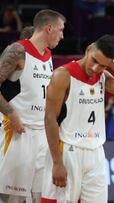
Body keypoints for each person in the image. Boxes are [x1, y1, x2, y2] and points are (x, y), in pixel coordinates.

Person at [41, 35, 114, 203]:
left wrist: (112, 63)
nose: (95, 68)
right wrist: (57, 162)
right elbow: (50, 119)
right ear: (88, 50)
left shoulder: (103, 76)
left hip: (96, 152)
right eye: (94, 60)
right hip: (68, 149)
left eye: (102, 65)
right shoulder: (62, 75)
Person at [0, 9, 65, 203]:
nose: (63, 35)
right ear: (49, 28)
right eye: (61, 30)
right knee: (12, 197)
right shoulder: (18, 50)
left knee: (39, 196)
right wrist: (12, 114)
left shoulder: (48, 55)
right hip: (19, 131)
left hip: (43, 134)